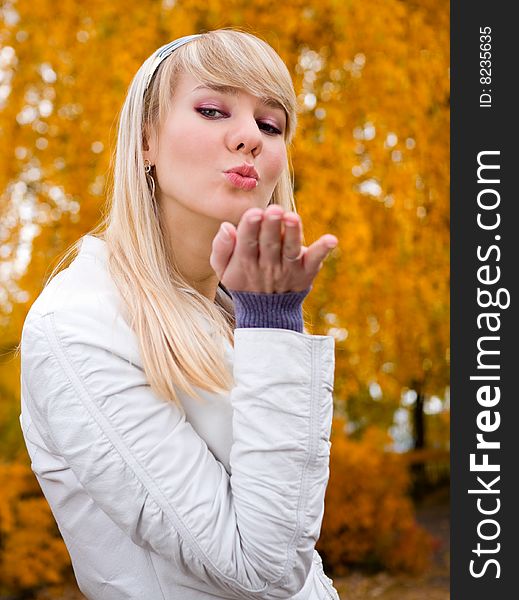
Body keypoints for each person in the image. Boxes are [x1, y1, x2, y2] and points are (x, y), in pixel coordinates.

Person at [19, 28, 340, 599]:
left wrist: (264, 319)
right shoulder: (78, 326)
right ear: (145, 139)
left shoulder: (232, 309)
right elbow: (261, 569)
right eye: (214, 110)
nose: (249, 138)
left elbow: (300, 555)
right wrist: (274, 321)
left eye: (272, 125)